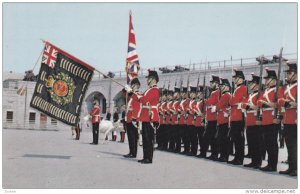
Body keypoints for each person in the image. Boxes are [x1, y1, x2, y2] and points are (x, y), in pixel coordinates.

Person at [125, 70, 160, 164]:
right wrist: (131, 93)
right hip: (145, 115)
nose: (147, 80)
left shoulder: (155, 90)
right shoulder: (149, 90)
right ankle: (145, 157)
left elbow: (145, 100)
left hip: (150, 115)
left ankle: (149, 158)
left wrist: (134, 94)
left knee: (148, 138)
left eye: (148, 78)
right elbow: (139, 99)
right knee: (145, 138)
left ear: (153, 79)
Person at [257, 68, 279, 172]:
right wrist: (266, 103)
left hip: (272, 118)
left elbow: (278, 104)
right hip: (265, 118)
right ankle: (269, 163)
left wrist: (266, 103)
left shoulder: (277, 90)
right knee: (267, 143)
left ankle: (273, 165)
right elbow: (259, 103)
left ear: (274, 80)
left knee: (272, 143)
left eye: (268, 79)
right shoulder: (265, 91)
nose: (266, 81)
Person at [278, 62, 297, 176]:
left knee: (295, 145)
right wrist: (288, 102)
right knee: (289, 145)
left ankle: (295, 168)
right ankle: (291, 167)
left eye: (290, 73)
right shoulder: (285, 87)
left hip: (296, 119)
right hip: (287, 120)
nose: (288, 75)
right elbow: (279, 99)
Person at [241, 74, 263, 169]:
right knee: (251, 142)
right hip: (249, 120)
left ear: (257, 85)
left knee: (257, 142)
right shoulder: (250, 95)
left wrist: (248, 105)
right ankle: (253, 161)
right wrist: (248, 105)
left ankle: (257, 162)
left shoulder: (260, 93)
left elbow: (259, 106)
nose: (250, 85)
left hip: (255, 120)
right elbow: (243, 104)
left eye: (252, 83)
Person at [228, 69, 247, 165]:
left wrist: (232, 100)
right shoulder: (237, 89)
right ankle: (237, 157)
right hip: (235, 117)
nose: (234, 80)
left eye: (236, 78)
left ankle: (240, 158)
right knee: (235, 138)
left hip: (239, 117)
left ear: (241, 79)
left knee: (239, 139)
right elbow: (232, 102)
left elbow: (232, 101)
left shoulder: (242, 88)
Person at [200, 75, 220, 159]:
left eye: (212, 83)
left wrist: (206, 101)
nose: (211, 84)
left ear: (216, 83)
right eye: (211, 83)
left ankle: (214, 154)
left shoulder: (217, 92)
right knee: (208, 137)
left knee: (212, 138)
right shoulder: (212, 92)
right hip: (210, 118)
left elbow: (212, 102)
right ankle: (205, 153)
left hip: (214, 118)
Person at [213, 78, 231, 162]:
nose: (221, 87)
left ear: (227, 87)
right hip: (221, 119)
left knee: (224, 140)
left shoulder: (226, 95)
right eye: (220, 86)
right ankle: (222, 155)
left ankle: (224, 156)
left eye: (222, 86)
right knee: (221, 139)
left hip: (224, 120)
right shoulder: (224, 95)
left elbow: (219, 106)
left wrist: (215, 107)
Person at [123, 78, 141, 158]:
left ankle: (133, 153)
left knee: (133, 136)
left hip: (133, 119)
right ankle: (131, 151)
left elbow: (137, 108)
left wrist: (134, 118)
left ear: (137, 86)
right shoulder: (133, 95)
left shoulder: (137, 95)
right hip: (129, 118)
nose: (132, 86)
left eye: (133, 85)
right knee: (130, 137)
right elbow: (124, 92)